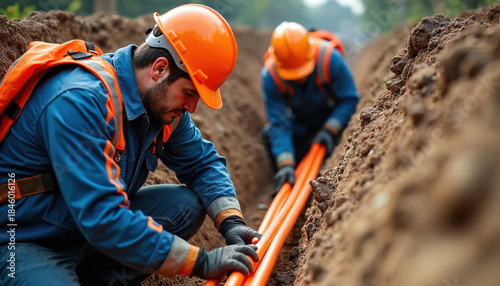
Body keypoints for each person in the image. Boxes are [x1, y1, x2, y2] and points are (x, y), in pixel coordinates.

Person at [0, 4, 261, 285]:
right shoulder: (80, 100)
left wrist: (231, 222)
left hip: (83, 233)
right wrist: (201, 262)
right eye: (189, 92)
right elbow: (103, 216)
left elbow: (202, 163)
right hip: (24, 240)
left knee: (186, 206)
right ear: (160, 69)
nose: (193, 107)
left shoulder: (163, 107)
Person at [261, 22, 360, 196]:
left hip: (329, 113)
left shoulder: (330, 59)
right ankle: (291, 177)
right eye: (293, 75)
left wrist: (330, 129)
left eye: (302, 73)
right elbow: (279, 124)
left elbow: (349, 99)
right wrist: (285, 164)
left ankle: (327, 163)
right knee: (269, 135)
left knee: (344, 141)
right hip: (299, 121)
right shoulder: (271, 77)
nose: (299, 78)